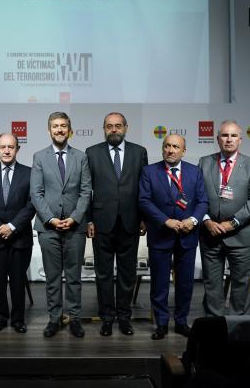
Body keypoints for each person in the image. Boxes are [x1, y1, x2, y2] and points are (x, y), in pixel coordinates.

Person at [138, 133, 208, 339]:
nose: (170, 150)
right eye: (167, 146)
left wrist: (193, 220)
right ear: (162, 148)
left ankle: (181, 321)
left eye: (175, 147)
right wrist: (165, 221)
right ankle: (161, 323)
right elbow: (144, 201)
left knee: (185, 283)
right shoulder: (149, 171)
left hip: (187, 235)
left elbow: (203, 201)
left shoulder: (195, 172)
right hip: (160, 234)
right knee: (159, 283)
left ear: (183, 151)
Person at [30, 112, 92, 338]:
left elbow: (86, 191)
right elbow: (36, 193)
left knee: (74, 277)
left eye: (63, 126)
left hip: (75, 227)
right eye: (55, 126)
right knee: (53, 277)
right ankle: (54, 318)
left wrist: (75, 217)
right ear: (49, 130)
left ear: (70, 129)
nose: (59, 130)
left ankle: (75, 319)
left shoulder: (81, 157)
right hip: (48, 227)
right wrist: (51, 219)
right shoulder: (39, 157)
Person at [86, 112, 148, 336]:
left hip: (130, 222)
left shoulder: (139, 152)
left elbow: (144, 190)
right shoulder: (92, 153)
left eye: (118, 126)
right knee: (103, 274)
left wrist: (143, 218)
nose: (114, 130)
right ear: (103, 128)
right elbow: (86, 191)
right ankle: (106, 317)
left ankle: (124, 317)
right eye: (109, 126)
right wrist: (88, 220)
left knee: (127, 274)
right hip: (102, 222)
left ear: (126, 127)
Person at [197, 120, 250, 316]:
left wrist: (233, 222)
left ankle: (239, 326)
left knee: (241, 283)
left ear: (240, 140)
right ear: (217, 139)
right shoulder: (204, 162)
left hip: (241, 234)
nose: (229, 139)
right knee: (211, 283)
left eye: (233, 135)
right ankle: (214, 325)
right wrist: (207, 220)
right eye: (224, 135)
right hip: (210, 233)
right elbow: (197, 196)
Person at [0, 133, 36, 333]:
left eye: (11, 147)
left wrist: (11, 226)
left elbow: (31, 204)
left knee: (18, 281)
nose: (7, 150)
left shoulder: (29, 173)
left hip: (20, 238)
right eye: (3, 147)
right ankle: (0, 317)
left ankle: (18, 319)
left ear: (17, 149)